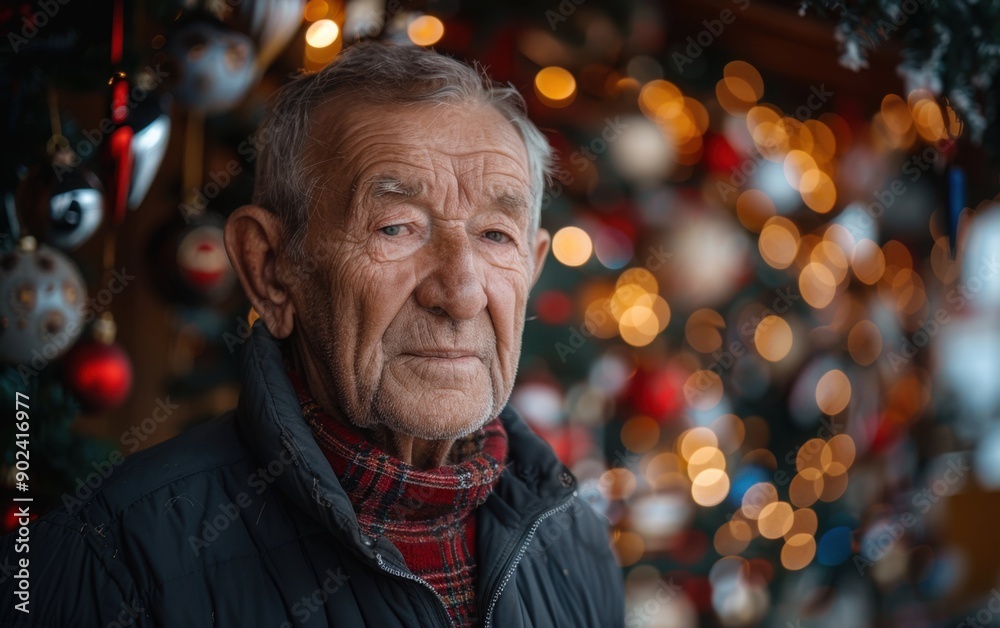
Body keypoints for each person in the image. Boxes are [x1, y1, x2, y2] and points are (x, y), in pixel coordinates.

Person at [0, 41, 624, 627]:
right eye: (396, 227)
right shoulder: (110, 557)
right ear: (271, 269)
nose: (461, 292)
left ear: (532, 268)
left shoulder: (574, 537)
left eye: (495, 236)